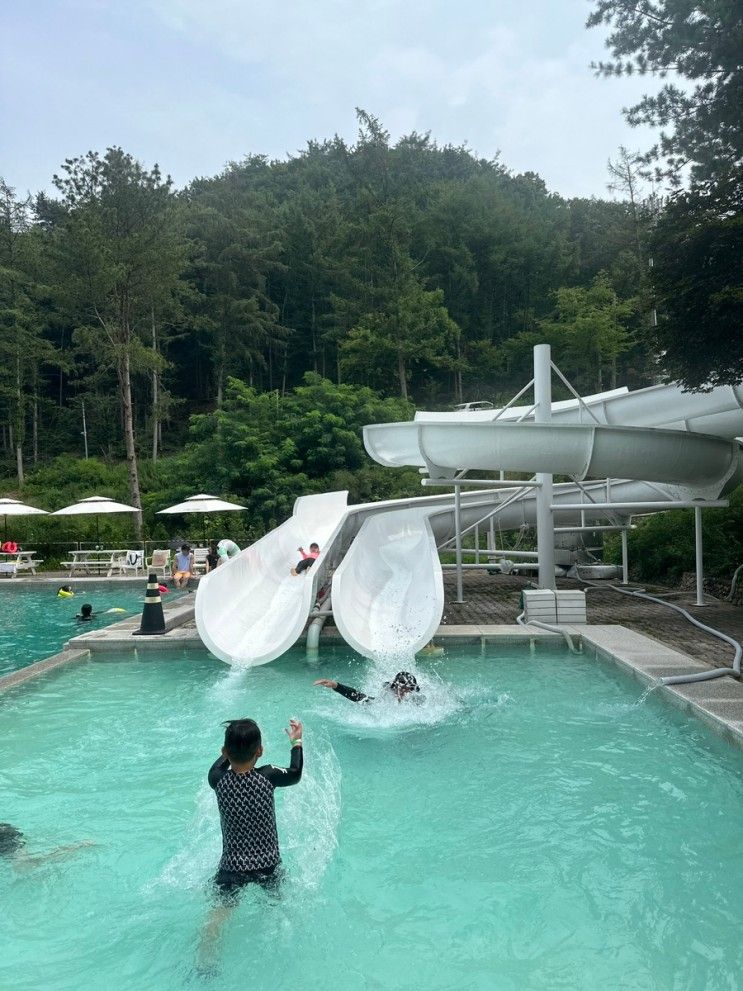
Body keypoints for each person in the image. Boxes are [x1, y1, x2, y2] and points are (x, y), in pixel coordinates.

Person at [198, 716, 303, 971]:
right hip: (267, 863)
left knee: (218, 915)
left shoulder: (217, 779)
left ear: (224, 752)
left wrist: (228, 750)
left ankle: (205, 965)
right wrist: (296, 742)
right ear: (261, 751)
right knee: (279, 904)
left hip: (232, 866)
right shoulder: (268, 776)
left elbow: (223, 762)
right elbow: (295, 773)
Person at [0, 822, 94, 872]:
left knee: (24, 866)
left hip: (6, 835)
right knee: (24, 866)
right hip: (6, 833)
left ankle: (77, 846)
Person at [314, 670, 421, 703]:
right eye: (403, 689)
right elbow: (359, 697)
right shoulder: (385, 702)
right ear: (394, 688)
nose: (406, 693)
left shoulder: (415, 700)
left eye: (409, 690)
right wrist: (336, 686)